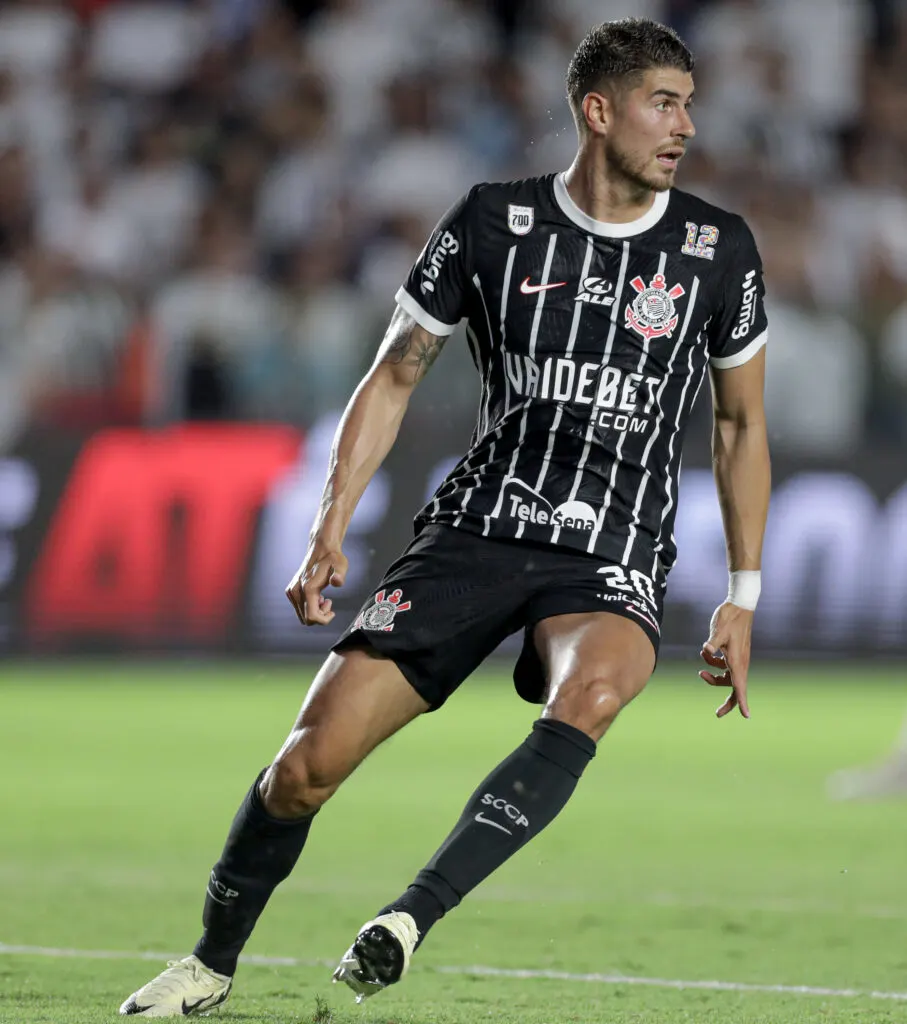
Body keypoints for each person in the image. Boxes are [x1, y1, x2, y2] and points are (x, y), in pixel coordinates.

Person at [119, 17, 771, 1017]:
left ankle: (407, 919)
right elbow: (391, 379)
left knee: (594, 689)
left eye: (688, 103)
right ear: (598, 112)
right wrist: (330, 522)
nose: (686, 124)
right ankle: (208, 962)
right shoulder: (490, 223)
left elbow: (738, 425)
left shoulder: (715, 249)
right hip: (478, 530)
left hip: (611, 544)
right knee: (302, 769)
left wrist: (741, 592)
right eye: (664, 102)